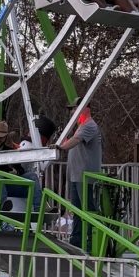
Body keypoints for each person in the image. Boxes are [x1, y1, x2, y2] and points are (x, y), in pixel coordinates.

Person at [57, 100, 102, 251]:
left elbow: (75, 141)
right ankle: (76, 240)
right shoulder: (81, 126)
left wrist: (60, 147)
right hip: (77, 176)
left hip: (86, 177)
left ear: (84, 109)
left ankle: (90, 243)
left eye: (74, 109)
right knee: (76, 211)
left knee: (87, 210)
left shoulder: (90, 125)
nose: (71, 112)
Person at [0, 120, 42, 231]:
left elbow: (20, 169)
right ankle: (2, 219)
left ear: (5, 137)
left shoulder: (9, 151)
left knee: (32, 177)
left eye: (0, 137)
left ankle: (39, 213)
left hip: (7, 183)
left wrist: (16, 172)